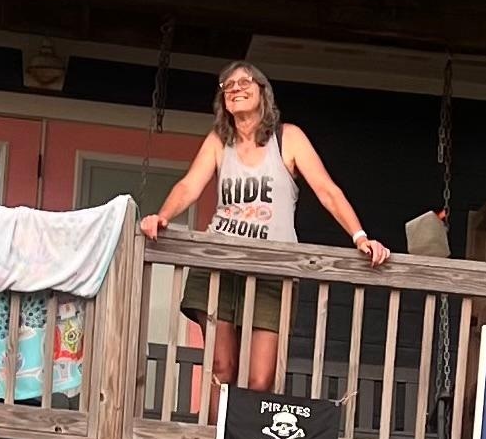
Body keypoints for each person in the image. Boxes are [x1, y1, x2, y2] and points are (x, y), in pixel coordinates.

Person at [138, 62, 390, 411]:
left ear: (263, 91)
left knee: (260, 379)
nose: (236, 88)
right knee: (222, 368)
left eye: (245, 82)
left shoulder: (288, 138)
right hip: (218, 266)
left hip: (272, 271)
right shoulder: (218, 142)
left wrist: (360, 237)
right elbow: (189, 186)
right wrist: (163, 216)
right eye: (228, 85)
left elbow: (327, 190)